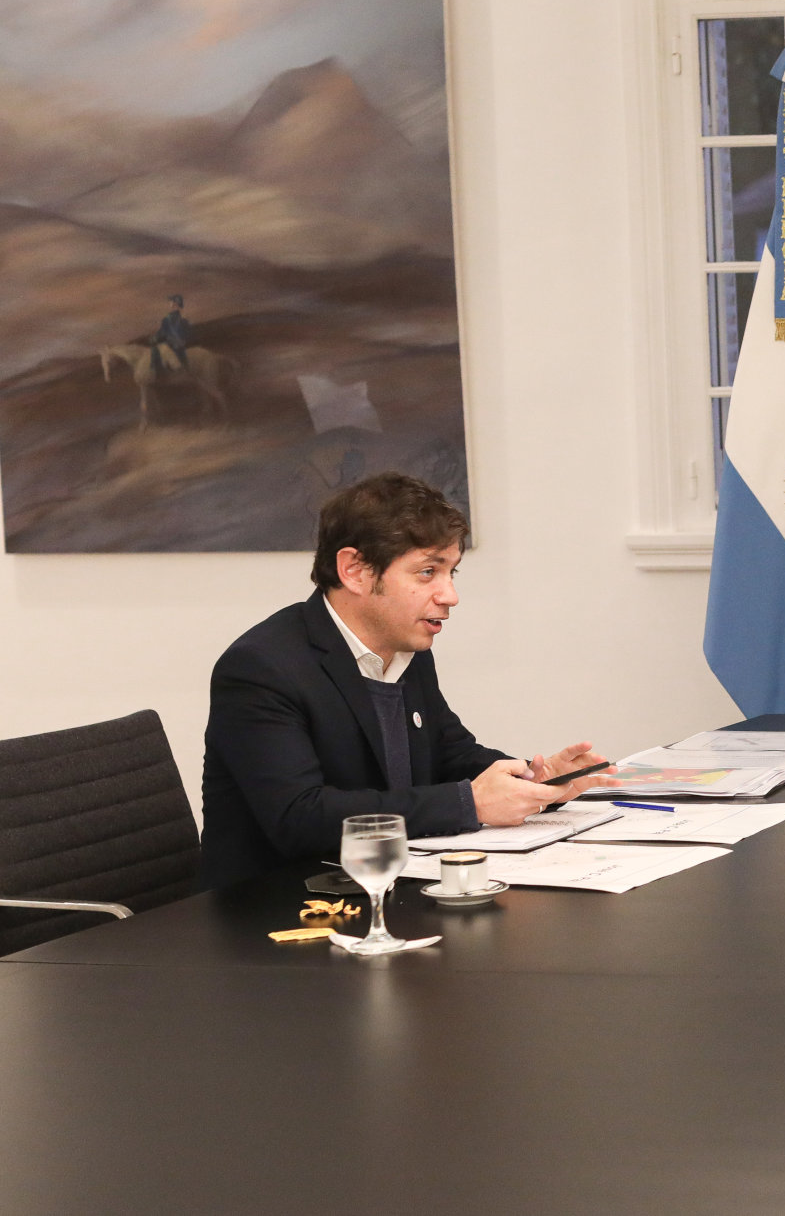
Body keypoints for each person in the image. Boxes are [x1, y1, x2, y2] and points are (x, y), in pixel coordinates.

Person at [200, 473, 613, 888]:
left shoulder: (405, 650)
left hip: (386, 893)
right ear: (355, 570)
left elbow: (451, 755)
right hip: (273, 913)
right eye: (427, 572)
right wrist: (469, 803)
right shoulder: (261, 668)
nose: (450, 595)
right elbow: (299, 817)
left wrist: (534, 781)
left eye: (452, 572)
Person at [152, 294, 191, 373]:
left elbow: (186, 330)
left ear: (177, 305)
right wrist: (156, 337)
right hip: (170, 341)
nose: (171, 305)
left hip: (179, 342)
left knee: (166, 350)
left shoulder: (182, 319)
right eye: (171, 304)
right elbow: (163, 330)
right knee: (157, 351)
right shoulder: (167, 319)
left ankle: (179, 368)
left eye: (173, 304)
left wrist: (181, 340)